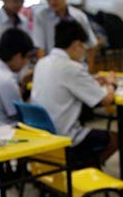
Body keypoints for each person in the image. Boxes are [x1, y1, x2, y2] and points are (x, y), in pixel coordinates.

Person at [31, 19, 117, 167]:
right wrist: (111, 83)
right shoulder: (71, 67)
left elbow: (66, 83)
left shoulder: (43, 62)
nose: (84, 52)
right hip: (64, 138)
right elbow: (106, 100)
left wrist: (91, 80)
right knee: (115, 139)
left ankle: (80, 168)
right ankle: (84, 170)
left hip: (42, 135)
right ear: (77, 45)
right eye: (84, 47)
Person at [32, 0, 98, 59]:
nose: (52, 1)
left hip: (76, 66)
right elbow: (40, 48)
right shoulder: (41, 17)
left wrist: (88, 70)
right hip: (52, 66)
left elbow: (92, 45)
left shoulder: (79, 16)